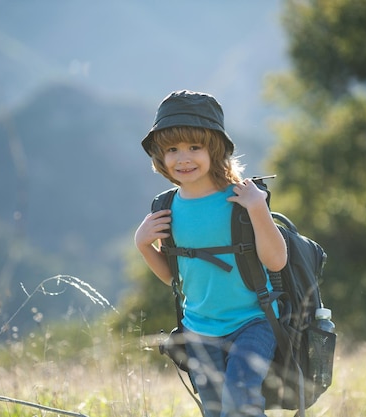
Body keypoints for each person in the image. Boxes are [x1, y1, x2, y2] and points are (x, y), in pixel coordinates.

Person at [134, 90, 287, 417]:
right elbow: (174, 278)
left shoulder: (243, 199)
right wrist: (143, 245)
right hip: (199, 328)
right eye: (172, 149)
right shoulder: (167, 208)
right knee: (216, 410)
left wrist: (259, 208)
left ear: (214, 149)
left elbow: (276, 261)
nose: (183, 158)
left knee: (240, 399)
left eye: (194, 147)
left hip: (252, 321)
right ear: (160, 157)